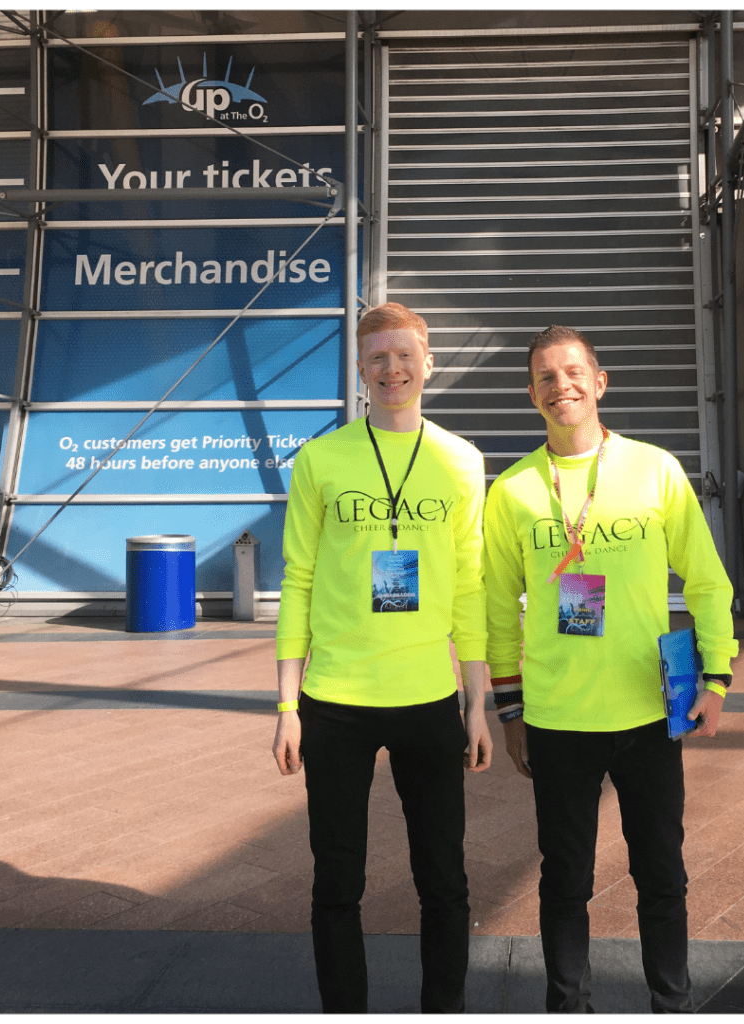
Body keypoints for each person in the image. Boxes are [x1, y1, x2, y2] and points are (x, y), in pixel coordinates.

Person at [482, 325, 738, 1013]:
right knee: (565, 880)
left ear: (599, 381)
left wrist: (716, 680)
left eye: (572, 372)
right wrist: (510, 713)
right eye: (545, 375)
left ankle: (671, 1003)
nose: (560, 385)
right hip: (558, 720)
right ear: (531, 393)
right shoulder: (510, 493)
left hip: (650, 714)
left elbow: (708, 582)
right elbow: (498, 610)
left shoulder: (655, 470)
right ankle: (570, 1006)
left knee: (662, 875)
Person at [272, 302, 493, 1013]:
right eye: (378, 359)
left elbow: (470, 587)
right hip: (334, 701)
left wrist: (478, 702)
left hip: (428, 698)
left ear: (428, 363)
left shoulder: (461, 461)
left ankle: (444, 1007)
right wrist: (286, 706)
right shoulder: (321, 459)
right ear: (361, 370)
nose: (393, 370)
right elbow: (298, 582)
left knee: (444, 880)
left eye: (405, 356)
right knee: (337, 880)